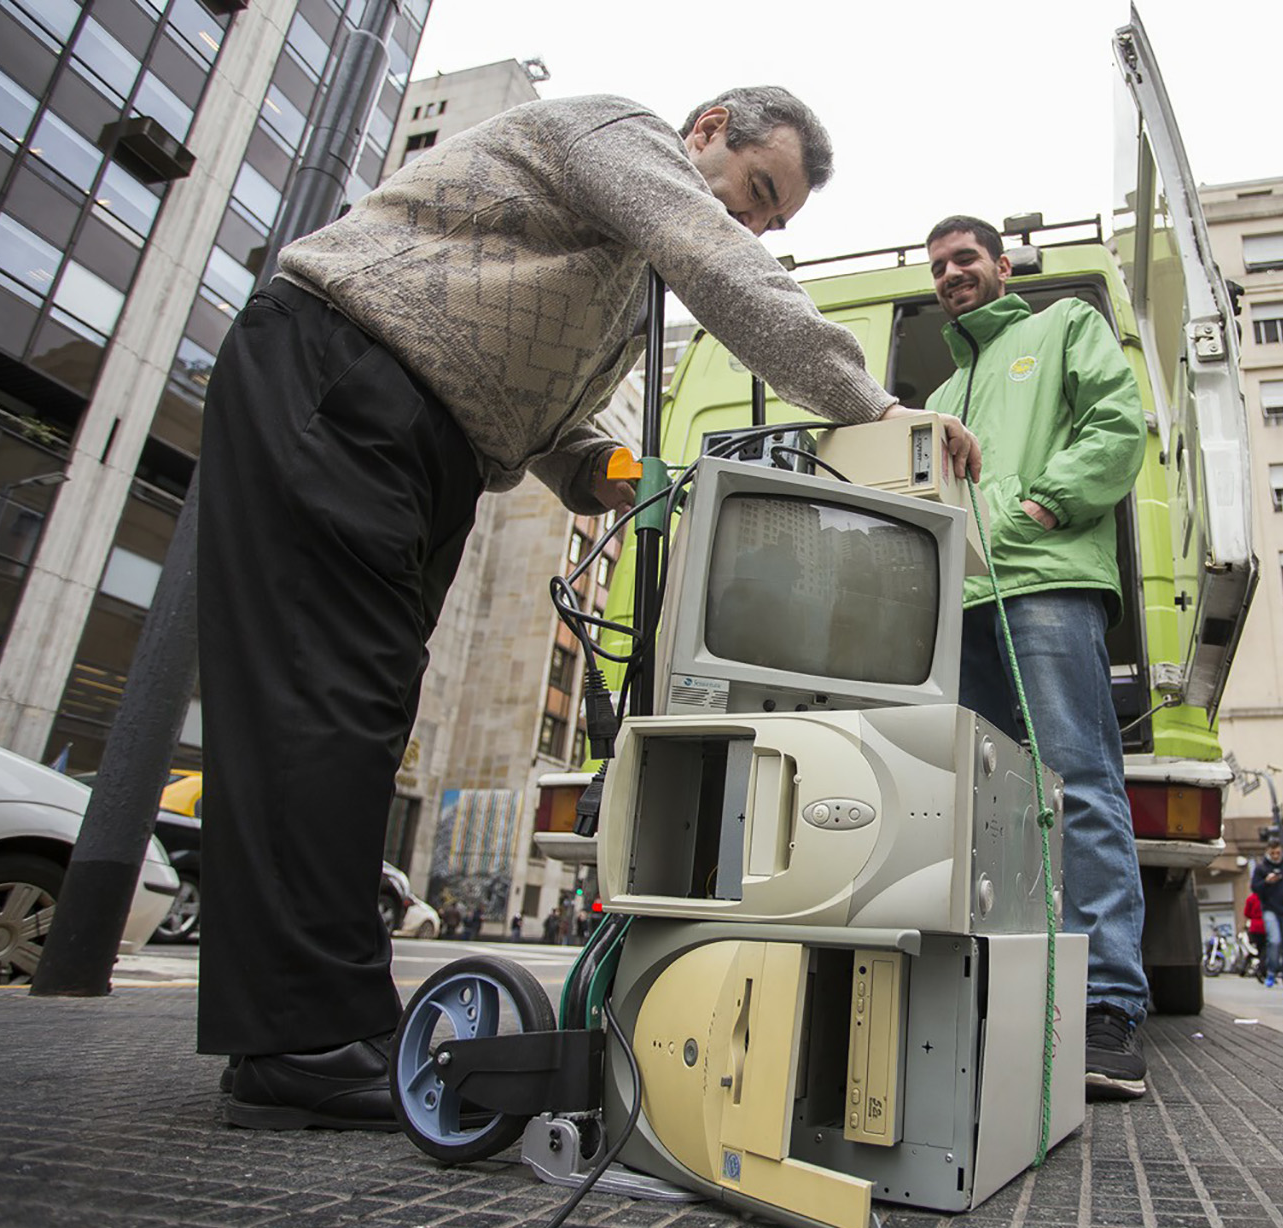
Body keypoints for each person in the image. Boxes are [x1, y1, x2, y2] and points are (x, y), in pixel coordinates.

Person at [201, 87, 980, 1134]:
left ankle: (299, 1032)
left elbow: (549, 417)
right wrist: (874, 405)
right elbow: (715, 262)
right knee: (326, 699)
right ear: (705, 128)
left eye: (771, 218)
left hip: (427, 441)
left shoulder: (617, 281)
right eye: (755, 191)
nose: (750, 224)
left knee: (358, 707)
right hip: (346, 372)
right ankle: (307, 1035)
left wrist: (603, 472)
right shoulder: (617, 135)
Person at [922, 215, 1148, 1100]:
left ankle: (1108, 1009)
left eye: (966, 258)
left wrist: (1042, 507)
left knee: (1077, 784)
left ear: (1002, 266)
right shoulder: (943, 386)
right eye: (939, 266)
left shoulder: (1062, 329)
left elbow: (1118, 424)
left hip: (1046, 584)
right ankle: (1015, 1005)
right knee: (993, 814)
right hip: (963, 604)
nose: (951, 274)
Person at [1251, 842, 1283, 989]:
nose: (1275, 856)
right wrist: (1266, 882)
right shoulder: (1262, 868)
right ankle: (1271, 972)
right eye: (1272, 853)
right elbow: (1255, 888)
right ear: (1268, 852)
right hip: (1270, 909)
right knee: (1274, 941)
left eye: (1278, 853)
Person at [1242, 890, 1268, 984]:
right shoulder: (1267, 897)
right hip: (1265, 926)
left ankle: (1261, 970)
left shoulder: (1251, 898)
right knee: (1266, 949)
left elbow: (1246, 914)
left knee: (1260, 949)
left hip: (1254, 927)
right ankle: (1261, 969)